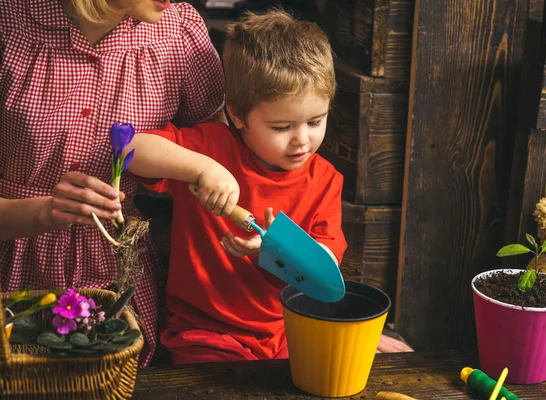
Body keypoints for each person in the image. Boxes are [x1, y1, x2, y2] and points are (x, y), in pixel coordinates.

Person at [0, 0, 225, 367]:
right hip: (12, 273)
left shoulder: (179, 32)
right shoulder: (10, 22)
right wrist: (43, 211)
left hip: (119, 277)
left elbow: (217, 150)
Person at [125, 9, 347, 364]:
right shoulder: (212, 147)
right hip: (205, 333)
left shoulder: (324, 180)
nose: (301, 141)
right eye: (281, 127)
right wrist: (201, 168)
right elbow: (129, 149)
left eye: (315, 121)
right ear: (237, 114)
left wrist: (275, 247)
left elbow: (327, 268)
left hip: (285, 334)